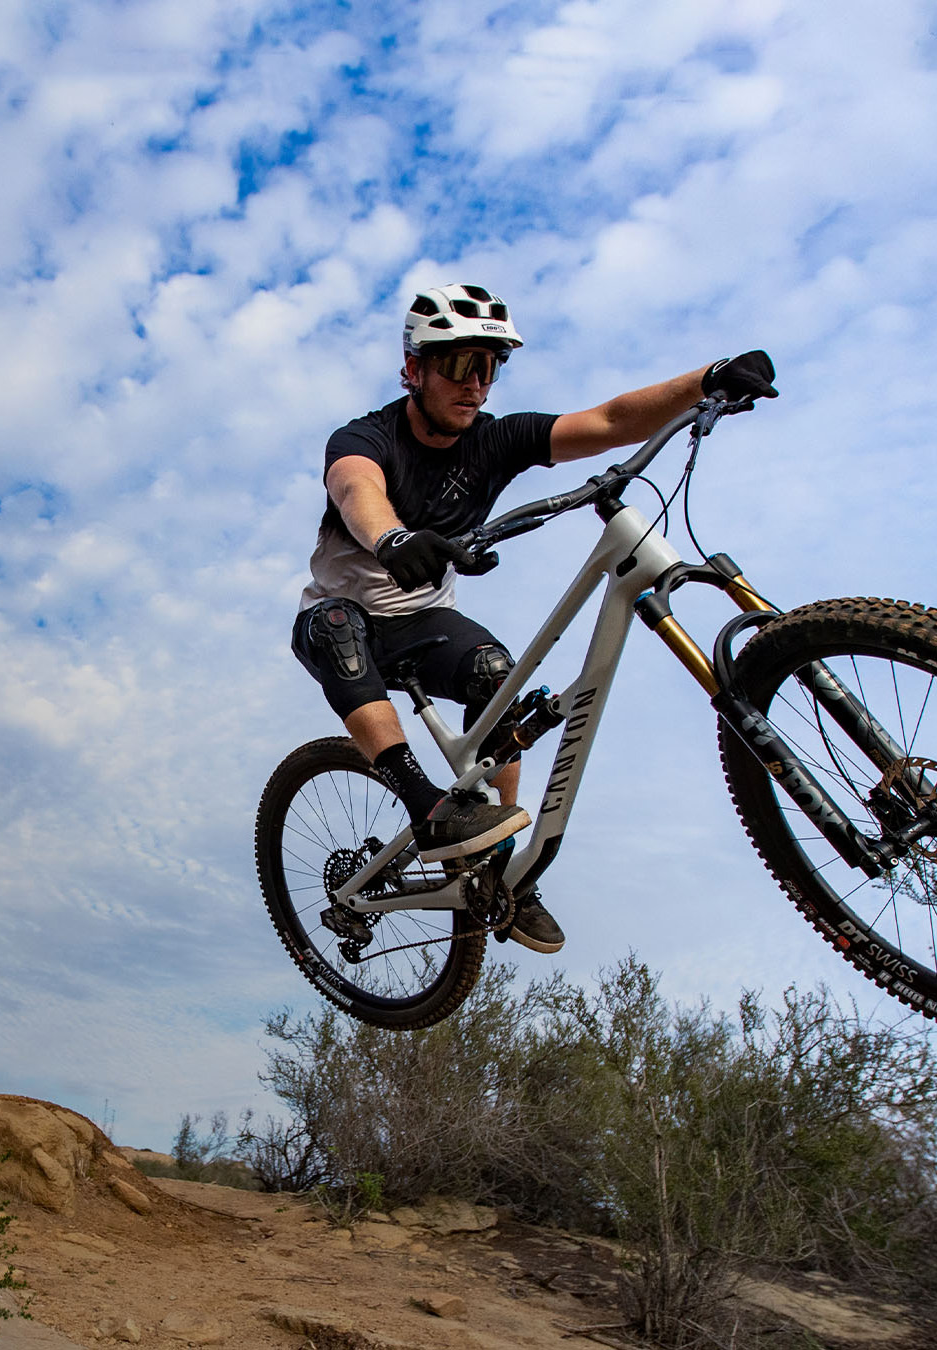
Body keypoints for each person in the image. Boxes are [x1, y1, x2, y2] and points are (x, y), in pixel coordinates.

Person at [293, 283, 777, 954]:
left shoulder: (497, 441)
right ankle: (426, 807)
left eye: (490, 366)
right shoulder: (365, 437)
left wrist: (709, 379)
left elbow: (608, 421)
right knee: (336, 631)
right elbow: (356, 488)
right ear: (414, 369)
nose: (477, 384)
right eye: (461, 364)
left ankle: (503, 870)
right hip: (345, 616)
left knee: (501, 677)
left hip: (421, 621)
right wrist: (393, 540)